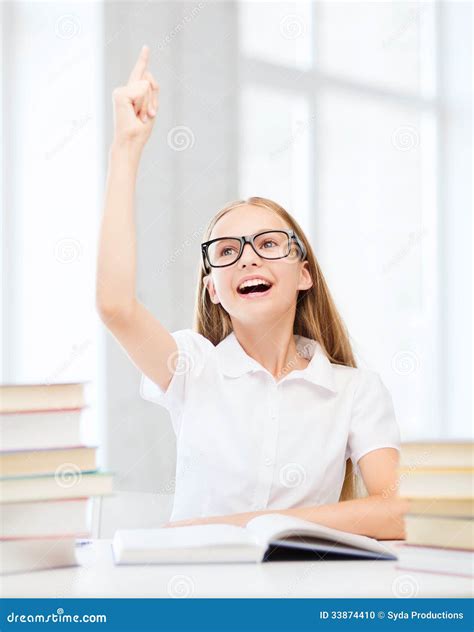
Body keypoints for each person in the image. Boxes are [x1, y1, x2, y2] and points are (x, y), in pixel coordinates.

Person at [96, 45, 409, 540]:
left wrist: (238, 527)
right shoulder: (191, 367)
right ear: (213, 290)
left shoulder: (355, 392)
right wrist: (126, 149)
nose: (248, 257)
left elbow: (397, 513)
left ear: (304, 274)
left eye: (268, 243)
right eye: (227, 251)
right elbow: (115, 306)